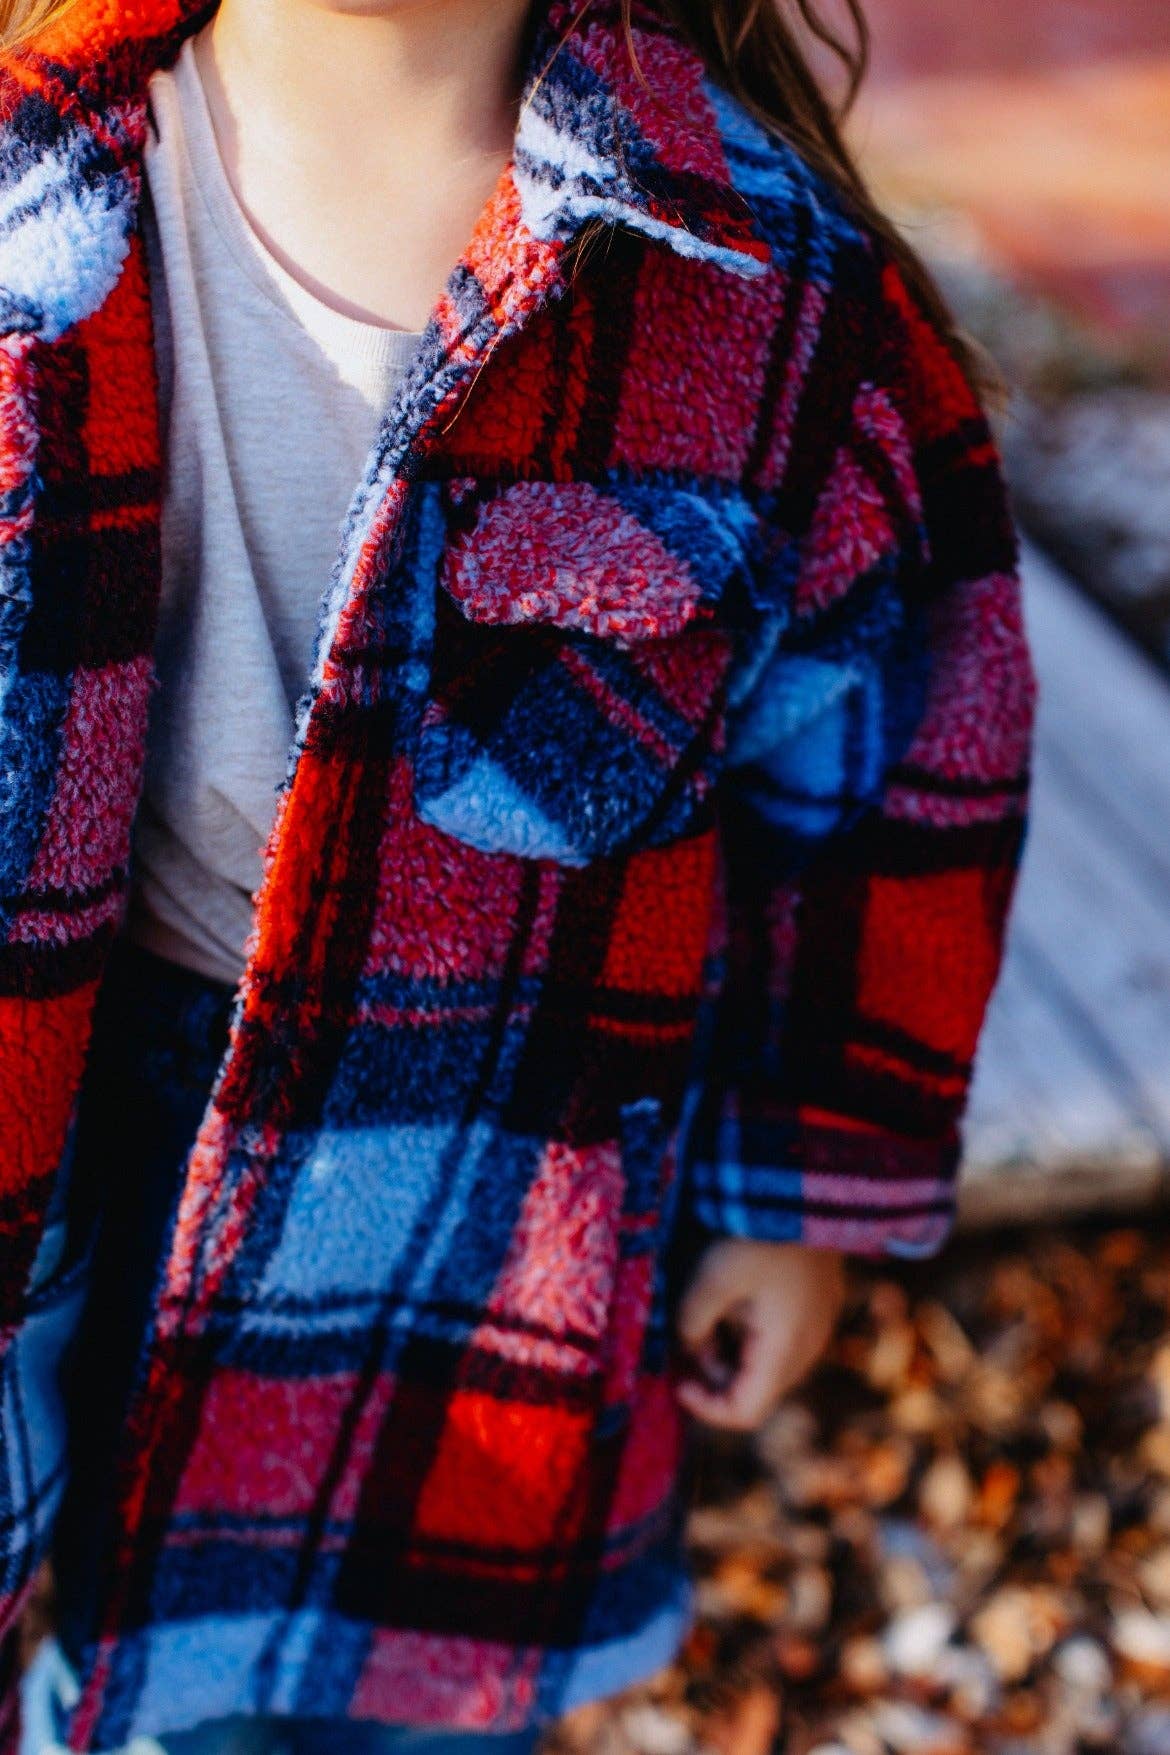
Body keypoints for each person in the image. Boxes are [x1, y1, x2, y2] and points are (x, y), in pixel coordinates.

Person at [0, 0, 1036, 1748]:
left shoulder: (759, 295)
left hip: (454, 1199)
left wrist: (795, 1202)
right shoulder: (34, 210)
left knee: (331, 1699)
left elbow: (885, 785)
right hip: (56, 1101)